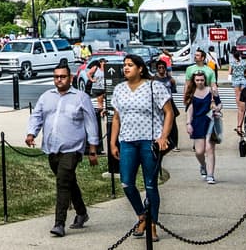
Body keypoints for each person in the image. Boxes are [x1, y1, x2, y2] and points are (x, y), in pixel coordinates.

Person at [25, 60, 100, 237]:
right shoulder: (46, 97)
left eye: (63, 77)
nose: (59, 80)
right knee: (68, 181)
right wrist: (31, 134)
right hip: (52, 149)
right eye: (56, 77)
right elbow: (37, 116)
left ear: (71, 78)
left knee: (62, 183)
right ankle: (82, 213)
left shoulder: (81, 97)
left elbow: (91, 123)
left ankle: (59, 224)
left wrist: (93, 149)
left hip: (72, 149)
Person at [109, 54, 174, 242]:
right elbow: (116, 118)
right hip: (127, 141)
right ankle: (141, 215)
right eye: (124, 65)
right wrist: (113, 142)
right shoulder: (119, 89)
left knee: (150, 184)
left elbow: (168, 112)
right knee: (127, 182)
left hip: (149, 141)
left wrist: (163, 137)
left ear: (140, 68)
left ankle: (153, 224)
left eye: (130, 65)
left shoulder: (155, 86)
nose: (126, 68)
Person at [184, 69, 221, 184]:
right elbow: (190, 109)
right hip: (197, 122)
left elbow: (219, 104)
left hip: (210, 121)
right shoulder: (191, 92)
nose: (200, 82)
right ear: (194, 81)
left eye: (202, 80)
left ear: (205, 80)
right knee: (199, 151)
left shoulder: (210, 90)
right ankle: (203, 165)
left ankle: (210, 175)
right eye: (197, 80)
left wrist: (217, 106)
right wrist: (188, 123)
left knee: (209, 149)